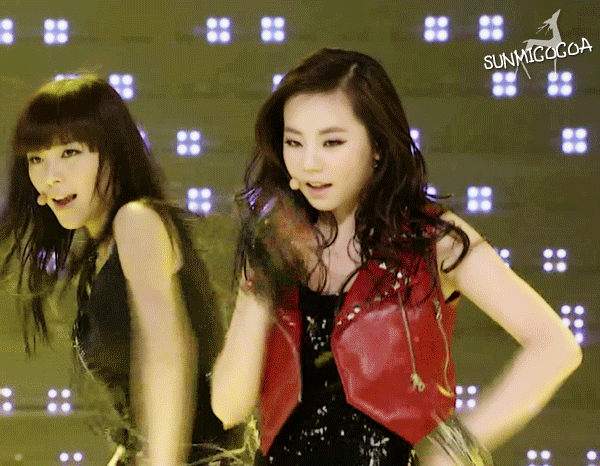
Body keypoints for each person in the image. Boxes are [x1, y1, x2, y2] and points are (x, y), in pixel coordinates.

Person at [210, 49, 583, 466]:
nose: (309, 163)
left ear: (377, 146)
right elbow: (228, 407)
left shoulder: (432, 240)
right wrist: (261, 281)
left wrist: (456, 450)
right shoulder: (277, 237)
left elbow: (556, 347)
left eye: (332, 142)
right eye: (294, 142)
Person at [0, 75, 245, 465]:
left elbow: (168, 356)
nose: (50, 176)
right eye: (36, 159)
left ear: (113, 151)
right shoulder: (102, 252)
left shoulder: (137, 221)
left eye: (69, 152)